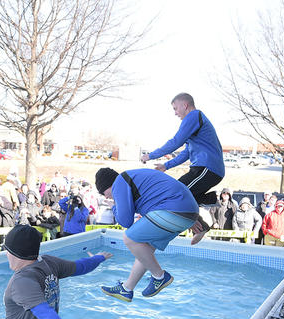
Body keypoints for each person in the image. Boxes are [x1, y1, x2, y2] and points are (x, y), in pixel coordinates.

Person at [96, 167, 198, 302]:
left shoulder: (119, 182)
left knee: (129, 238)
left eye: (104, 193)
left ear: (108, 185)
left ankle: (159, 276)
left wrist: (114, 206)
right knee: (144, 250)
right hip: (186, 213)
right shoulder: (133, 178)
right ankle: (126, 289)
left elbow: (125, 221)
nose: (106, 197)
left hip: (173, 210)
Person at [140, 93, 225, 244]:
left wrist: (150, 155)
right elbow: (186, 152)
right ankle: (209, 205)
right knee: (176, 193)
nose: (175, 113)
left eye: (175, 108)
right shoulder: (195, 125)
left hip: (208, 168)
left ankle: (201, 222)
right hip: (201, 169)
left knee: (178, 194)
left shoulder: (194, 116)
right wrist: (166, 166)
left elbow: (175, 141)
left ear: (185, 105)